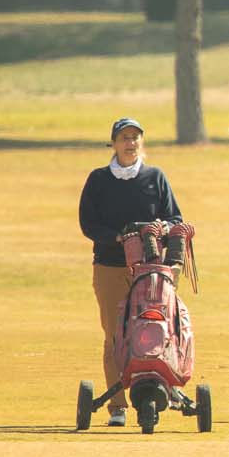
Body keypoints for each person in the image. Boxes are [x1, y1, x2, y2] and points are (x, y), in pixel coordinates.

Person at [78, 117, 184, 427]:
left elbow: (174, 217)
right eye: (124, 137)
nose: (130, 142)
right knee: (116, 335)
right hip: (111, 267)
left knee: (156, 331)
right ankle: (118, 406)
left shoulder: (155, 177)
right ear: (113, 142)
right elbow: (89, 224)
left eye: (136, 137)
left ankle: (161, 388)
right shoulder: (99, 180)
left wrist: (157, 229)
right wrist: (118, 237)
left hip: (151, 270)